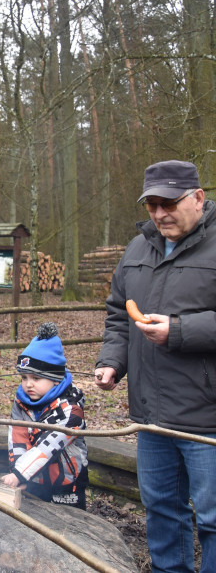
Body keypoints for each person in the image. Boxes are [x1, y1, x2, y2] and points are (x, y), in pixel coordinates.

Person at [96, 159, 216, 572]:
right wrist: (112, 361)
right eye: (152, 206)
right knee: (162, 509)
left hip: (207, 414)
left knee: (214, 518)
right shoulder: (137, 248)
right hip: (150, 415)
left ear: (197, 198)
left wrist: (180, 330)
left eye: (170, 203)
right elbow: (117, 315)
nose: (161, 214)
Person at [2, 323, 88, 509]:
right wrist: (18, 472)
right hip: (34, 478)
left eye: (36, 378)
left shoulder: (71, 411)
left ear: (55, 379)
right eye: (24, 378)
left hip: (66, 482)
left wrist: (19, 474)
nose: (28, 384)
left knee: (71, 525)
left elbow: (48, 447)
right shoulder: (22, 403)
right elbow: (17, 438)